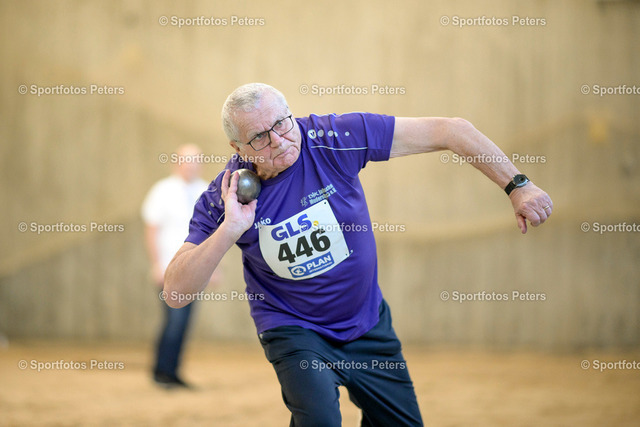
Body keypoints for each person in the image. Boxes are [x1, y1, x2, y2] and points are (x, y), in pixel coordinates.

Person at [164, 83, 553, 425]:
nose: (279, 140)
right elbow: (176, 293)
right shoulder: (226, 196)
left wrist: (518, 186)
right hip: (294, 328)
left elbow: (452, 130)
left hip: (366, 323)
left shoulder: (333, 138)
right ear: (238, 148)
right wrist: (230, 229)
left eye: (282, 123)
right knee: (320, 419)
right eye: (260, 138)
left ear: (291, 113)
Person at [142, 144, 209, 388]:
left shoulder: (206, 190)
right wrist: (157, 264)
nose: (191, 165)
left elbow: (211, 235)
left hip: (194, 270)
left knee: (184, 321)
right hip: (168, 269)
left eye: (195, 160)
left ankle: (171, 371)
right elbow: (152, 230)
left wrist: (212, 268)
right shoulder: (162, 190)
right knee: (175, 320)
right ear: (176, 162)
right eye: (187, 160)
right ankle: (162, 371)